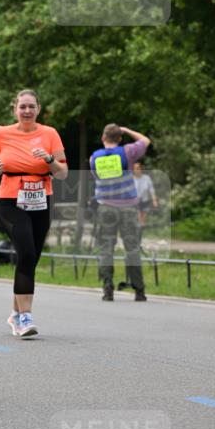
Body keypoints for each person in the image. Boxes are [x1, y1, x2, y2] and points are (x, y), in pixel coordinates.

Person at [0, 88, 68, 337]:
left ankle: (15, 314)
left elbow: (62, 172)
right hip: (10, 200)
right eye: (22, 107)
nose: (27, 111)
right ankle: (25, 317)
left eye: (31, 106)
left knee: (31, 257)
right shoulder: (2, 133)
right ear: (15, 109)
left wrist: (49, 159)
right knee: (26, 251)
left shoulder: (50, 134)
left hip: (41, 200)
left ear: (38, 109)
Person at [89, 123, 151, 301]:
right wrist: (128, 130)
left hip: (105, 207)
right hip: (128, 207)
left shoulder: (94, 158)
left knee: (106, 249)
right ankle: (139, 291)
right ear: (120, 138)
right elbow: (146, 141)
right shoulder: (128, 151)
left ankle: (108, 289)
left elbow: (96, 178)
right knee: (132, 248)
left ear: (103, 138)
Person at [133, 160, 158, 227]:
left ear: (141, 169)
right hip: (135, 200)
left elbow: (151, 189)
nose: (137, 170)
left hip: (145, 199)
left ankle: (141, 227)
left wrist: (154, 200)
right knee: (138, 214)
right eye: (135, 168)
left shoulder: (147, 178)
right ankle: (139, 227)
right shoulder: (131, 179)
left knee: (143, 216)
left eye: (139, 168)